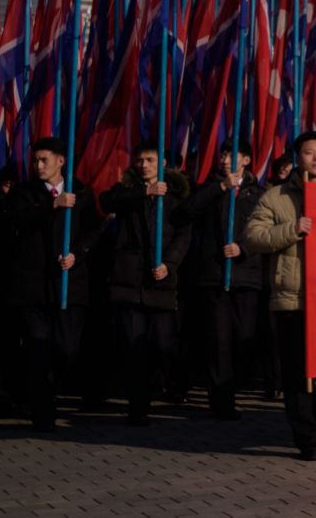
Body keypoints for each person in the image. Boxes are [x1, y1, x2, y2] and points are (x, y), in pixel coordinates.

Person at [244, 132, 316, 459]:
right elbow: (253, 237)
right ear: (296, 158)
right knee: (296, 373)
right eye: (309, 152)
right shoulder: (276, 196)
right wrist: (292, 230)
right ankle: (307, 438)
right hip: (293, 299)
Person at [0, 137, 101, 431]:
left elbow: (92, 231)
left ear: (61, 160)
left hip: (69, 285)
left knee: (66, 348)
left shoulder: (80, 192)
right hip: (32, 288)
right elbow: (14, 221)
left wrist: (76, 254)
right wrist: (51, 205)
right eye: (35, 160)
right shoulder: (24, 193)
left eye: (45, 160)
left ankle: (48, 391)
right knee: (37, 348)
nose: (39, 166)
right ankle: (42, 410)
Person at [100, 143, 193, 426]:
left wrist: (170, 263)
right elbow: (107, 202)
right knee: (132, 346)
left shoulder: (177, 195)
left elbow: (183, 234)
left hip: (160, 281)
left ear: (162, 162)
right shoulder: (127, 190)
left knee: (161, 345)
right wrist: (143, 192)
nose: (144, 165)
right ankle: (137, 406)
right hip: (129, 281)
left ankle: (156, 384)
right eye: (139, 160)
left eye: (150, 160)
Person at [181, 145, 265, 419]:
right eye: (224, 155)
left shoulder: (258, 193)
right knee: (219, 341)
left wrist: (244, 247)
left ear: (247, 160)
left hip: (246, 276)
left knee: (244, 337)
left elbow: (266, 230)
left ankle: (237, 382)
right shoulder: (211, 188)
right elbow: (187, 211)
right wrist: (219, 188)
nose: (226, 160)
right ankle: (220, 401)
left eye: (233, 155)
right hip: (214, 276)